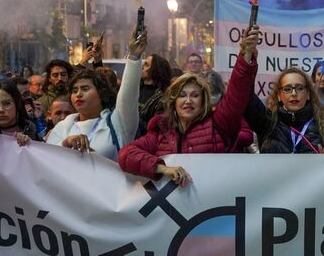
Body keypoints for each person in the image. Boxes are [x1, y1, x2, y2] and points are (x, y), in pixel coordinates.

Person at [119, 27, 259, 185]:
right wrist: (163, 168)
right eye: (182, 95)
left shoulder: (218, 125)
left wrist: (246, 55)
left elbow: (236, 94)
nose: (188, 101)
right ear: (173, 102)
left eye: (194, 95)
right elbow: (126, 154)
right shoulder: (160, 133)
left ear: (203, 101)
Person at [46, 29, 144, 160]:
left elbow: (128, 96)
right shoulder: (62, 127)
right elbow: (46, 160)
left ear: (101, 93)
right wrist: (66, 143)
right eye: (74, 91)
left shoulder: (117, 123)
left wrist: (134, 57)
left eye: (85, 89)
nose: (78, 94)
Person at [243, 63, 324, 158]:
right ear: (279, 95)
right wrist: (247, 60)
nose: (294, 93)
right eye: (287, 89)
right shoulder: (267, 122)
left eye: (300, 88)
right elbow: (245, 95)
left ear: (308, 94)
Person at [136, 52, 172, 137]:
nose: (142, 67)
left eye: (146, 65)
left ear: (155, 69)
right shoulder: (136, 89)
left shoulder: (162, 98)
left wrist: (134, 119)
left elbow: (155, 128)